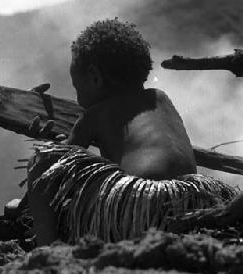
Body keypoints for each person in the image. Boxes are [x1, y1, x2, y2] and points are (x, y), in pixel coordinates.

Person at [27, 18, 197, 245]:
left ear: (95, 77)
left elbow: (61, 164)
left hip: (141, 204)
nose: (77, 98)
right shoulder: (160, 99)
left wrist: (52, 147)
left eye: (77, 87)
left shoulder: (94, 115)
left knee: (41, 161)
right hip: (195, 200)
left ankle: (46, 248)